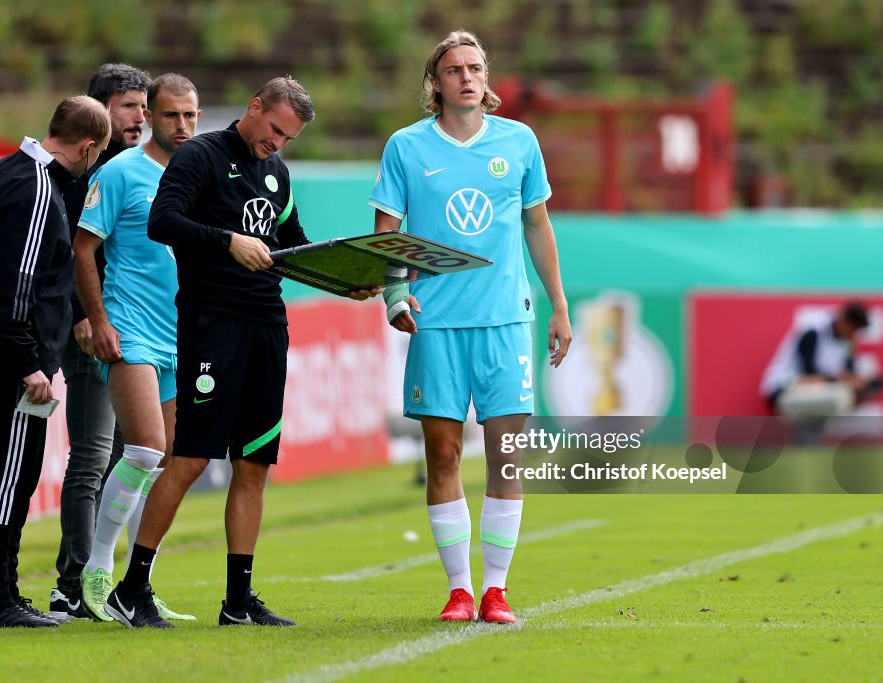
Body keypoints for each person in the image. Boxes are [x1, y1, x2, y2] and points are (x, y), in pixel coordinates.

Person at [106, 76, 375, 629]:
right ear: (254, 108)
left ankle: (237, 601)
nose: (277, 143)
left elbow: (293, 246)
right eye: (274, 129)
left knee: (254, 463)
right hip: (212, 324)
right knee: (191, 457)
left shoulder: (276, 172)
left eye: (288, 137)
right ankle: (131, 589)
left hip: (266, 326)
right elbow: (162, 222)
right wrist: (227, 240)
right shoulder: (200, 155)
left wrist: (346, 282)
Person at [369, 30, 572, 624]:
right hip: (437, 323)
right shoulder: (406, 147)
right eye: (454, 69)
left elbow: (538, 225)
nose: (466, 76)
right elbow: (387, 229)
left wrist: (558, 304)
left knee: (507, 456)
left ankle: (497, 590)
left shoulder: (519, 141)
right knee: (444, 455)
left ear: (488, 80)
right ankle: (460, 589)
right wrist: (394, 294)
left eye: (475, 67)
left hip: (506, 321)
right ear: (435, 83)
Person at [0, 96, 111, 628]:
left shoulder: (0, 170)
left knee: (10, 468)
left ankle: (3, 595)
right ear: (89, 147)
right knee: (11, 474)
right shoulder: (40, 189)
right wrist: (29, 361)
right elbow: (17, 282)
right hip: (13, 355)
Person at [73, 73, 201, 623]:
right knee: (145, 449)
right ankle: (97, 570)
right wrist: (97, 320)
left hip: (182, 333)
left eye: (191, 116)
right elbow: (82, 250)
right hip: (130, 329)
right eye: (171, 115)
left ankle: (136, 583)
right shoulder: (120, 172)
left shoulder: (202, 174)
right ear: (149, 115)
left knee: (172, 462)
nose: (182, 125)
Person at [49, 63, 151, 623]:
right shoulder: (84, 175)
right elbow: (70, 253)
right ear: (99, 112)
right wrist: (88, 316)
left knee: (125, 458)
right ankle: (72, 585)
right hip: (94, 328)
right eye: (129, 105)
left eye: (143, 105)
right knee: (93, 456)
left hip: (137, 331)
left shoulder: (143, 167)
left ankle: (107, 582)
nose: (140, 116)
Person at [761, 303, 879, 428]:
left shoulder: (846, 343)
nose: (854, 334)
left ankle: (810, 438)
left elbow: (848, 372)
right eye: (854, 329)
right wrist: (842, 380)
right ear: (844, 322)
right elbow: (808, 376)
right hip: (783, 389)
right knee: (838, 397)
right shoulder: (813, 332)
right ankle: (806, 440)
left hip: (812, 390)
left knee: (854, 394)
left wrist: (860, 382)